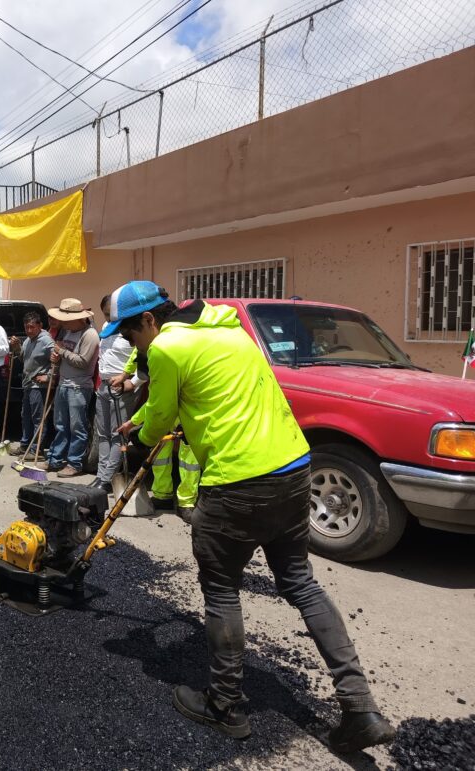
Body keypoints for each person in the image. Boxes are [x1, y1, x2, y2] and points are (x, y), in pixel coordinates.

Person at [110, 280, 394, 753]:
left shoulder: (166, 349)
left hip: (237, 481)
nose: (131, 343)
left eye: (129, 333)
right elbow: (219, 400)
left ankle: (225, 705)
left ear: (148, 320)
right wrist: (153, 419)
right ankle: (359, 705)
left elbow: (161, 418)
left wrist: (139, 437)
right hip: (292, 467)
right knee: (300, 582)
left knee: (221, 589)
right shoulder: (232, 332)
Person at [37, 298, 99, 478]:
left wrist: (62, 352)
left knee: (77, 427)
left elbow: (83, 361)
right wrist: (56, 357)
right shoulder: (66, 331)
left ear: (79, 318)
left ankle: (74, 463)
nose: (62, 322)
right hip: (64, 384)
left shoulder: (90, 335)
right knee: (60, 425)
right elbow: (62, 353)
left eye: (66, 319)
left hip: (79, 387)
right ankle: (55, 460)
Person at [89, 294, 138, 494]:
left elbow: (140, 361)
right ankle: (101, 476)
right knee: (102, 434)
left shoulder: (131, 331)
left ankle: (108, 477)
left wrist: (131, 382)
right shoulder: (106, 328)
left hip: (122, 388)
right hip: (103, 386)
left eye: (110, 314)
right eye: (105, 315)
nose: (108, 319)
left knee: (117, 434)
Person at [8, 311, 54, 458]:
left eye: (32, 327)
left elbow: (57, 360)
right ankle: (25, 445)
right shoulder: (28, 340)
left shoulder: (46, 341)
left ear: (40, 326)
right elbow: (23, 358)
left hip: (38, 387)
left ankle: (37, 450)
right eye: (26, 327)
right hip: (27, 385)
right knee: (25, 416)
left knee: (38, 419)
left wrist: (48, 377)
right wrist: (16, 347)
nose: (29, 330)